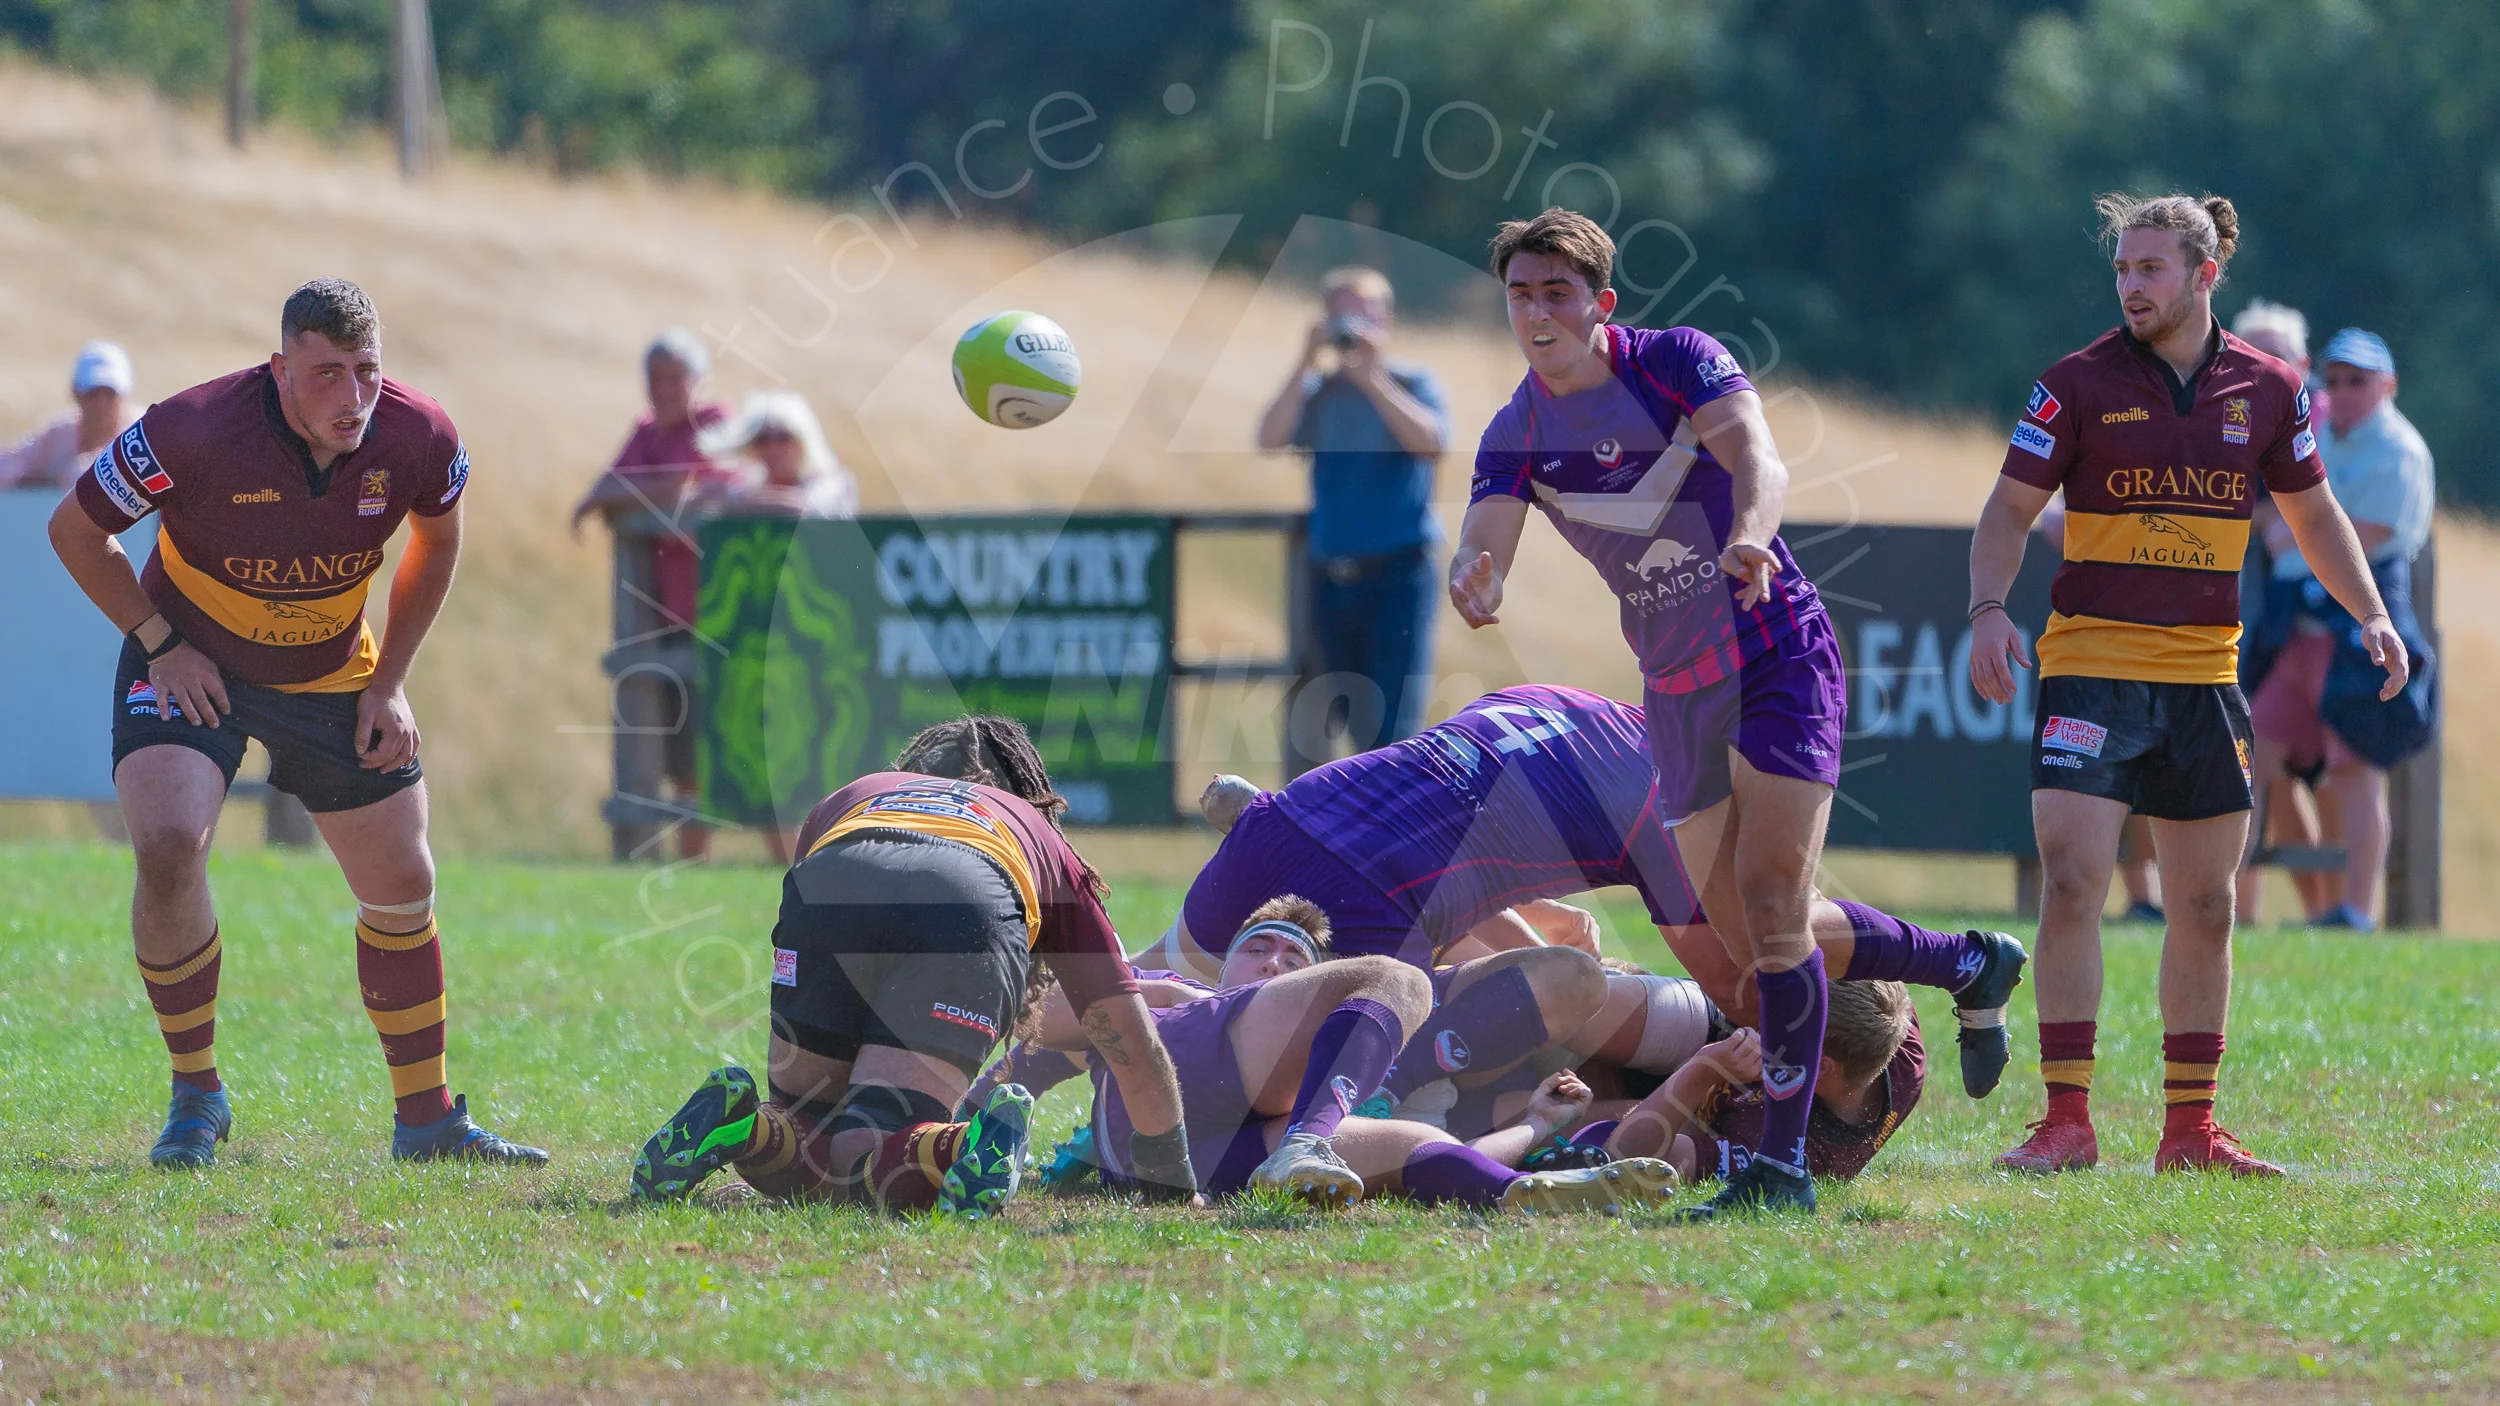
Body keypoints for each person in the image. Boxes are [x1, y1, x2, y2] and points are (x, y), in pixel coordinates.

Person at [45, 278, 544, 1169]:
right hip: (189, 657)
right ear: (279, 370)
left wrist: (390, 680)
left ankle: (426, 1122)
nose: (351, 399)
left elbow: (439, 539)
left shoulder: (420, 434)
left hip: (332, 668)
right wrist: (160, 642)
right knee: (167, 842)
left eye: (366, 372)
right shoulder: (190, 429)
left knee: (403, 879)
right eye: (325, 375)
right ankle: (197, 1095)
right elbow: (74, 531)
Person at [1968, 194, 2407, 1179]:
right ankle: (2066, 1119)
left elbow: (2315, 513)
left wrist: (2371, 610)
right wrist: (1987, 609)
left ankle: (2190, 1132)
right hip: (2089, 669)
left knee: (2205, 904)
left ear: (2204, 276)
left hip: (2205, 677)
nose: (2131, 286)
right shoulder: (2072, 384)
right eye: (2122, 269)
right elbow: (2005, 510)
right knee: (2076, 878)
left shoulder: (2269, 387)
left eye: (2151, 269)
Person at [1451, 208, 1851, 1220]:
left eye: (1557, 292)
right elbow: (1485, 527)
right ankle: (1952, 956)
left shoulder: (1677, 362)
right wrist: (1475, 571)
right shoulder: (1516, 430)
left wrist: (1752, 537)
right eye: (1520, 294)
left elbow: (1759, 459)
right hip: (1674, 689)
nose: (1537, 312)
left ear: (1600, 303)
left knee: (1770, 902)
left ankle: (1781, 1168)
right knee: (1740, 946)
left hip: (1773, 649)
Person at [1133, 686, 2022, 1127]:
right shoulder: (1667, 817)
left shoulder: (1623, 738)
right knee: (1760, 964)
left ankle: (1964, 961)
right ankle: (1959, 960)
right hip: (1385, 871)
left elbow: (1459, 863)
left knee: (1177, 981)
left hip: (1406, 785)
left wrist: (1527, 938)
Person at [629, 717, 1202, 1217]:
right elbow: (1131, 1039)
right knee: (861, 1158)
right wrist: (1168, 1177)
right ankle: (965, 1146)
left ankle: (741, 1122)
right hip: (967, 899)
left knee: (803, 1132)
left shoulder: (862, 790)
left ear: (915, 766)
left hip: (833, 881)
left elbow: (808, 892)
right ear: (1028, 791)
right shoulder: (1038, 835)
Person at [982, 900, 1682, 1213]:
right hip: (1164, 1101)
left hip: (1213, 1160)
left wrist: (1538, 1122)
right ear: (1225, 967)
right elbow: (1044, 1034)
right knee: (1401, 980)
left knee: (1414, 1141)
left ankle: (1516, 1197)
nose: (1274, 962)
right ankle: (1306, 1145)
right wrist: (1148, 992)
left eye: (1295, 957)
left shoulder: (1338, 1062)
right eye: (1258, 948)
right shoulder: (1183, 999)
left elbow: (1428, 1145)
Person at [2245, 328, 2436, 932]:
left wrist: (2296, 530)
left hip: (2359, 633)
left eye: (2360, 380)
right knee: (2253, 754)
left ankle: (2356, 912)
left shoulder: (2400, 451)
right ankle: (2228, 903)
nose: (2345, 391)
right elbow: (2305, 527)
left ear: (2388, 385)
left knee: (2355, 771)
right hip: (2297, 632)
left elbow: (2358, 539)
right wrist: (2302, 530)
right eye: (2336, 379)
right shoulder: (2319, 435)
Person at [1254, 266, 1450, 773]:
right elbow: (1269, 438)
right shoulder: (1318, 391)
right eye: (1342, 312)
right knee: (1339, 713)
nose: (1353, 325)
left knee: (1394, 729)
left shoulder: (1411, 382)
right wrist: (1305, 360)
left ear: (1387, 320)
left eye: (1365, 313)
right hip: (1331, 575)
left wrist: (1373, 378)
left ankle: (1398, 840)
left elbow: (1432, 443)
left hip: (1399, 572)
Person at [570, 330, 740, 861]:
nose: (664, 390)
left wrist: (632, 493)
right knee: (682, 748)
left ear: (696, 382)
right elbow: (601, 492)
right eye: (655, 379)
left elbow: (688, 485)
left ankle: (702, 859)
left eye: (674, 379)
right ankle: (688, 865)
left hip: (724, 612)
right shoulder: (647, 431)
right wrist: (635, 492)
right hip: (670, 616)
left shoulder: (716, 423)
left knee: (719, 743)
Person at [2230, 301, 2337, 924]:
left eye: (2280, 354)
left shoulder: (2324, 428)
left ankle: (2333, 914)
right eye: (2255, 353)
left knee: (2312, 776)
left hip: (2315, 633)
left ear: (2302, 364)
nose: (2267, 366)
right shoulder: (2234, 417)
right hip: (2262, 624)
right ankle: (2265, 916)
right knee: (2259, 770)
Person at [697, 389, 859, 522]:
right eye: (762, 440)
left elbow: (805, 510)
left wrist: (735, 504)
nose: (773, 449)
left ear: (802, 442)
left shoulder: (834, 483)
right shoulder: (745, 488)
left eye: (784, 438)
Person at [0, 341, 138, 493]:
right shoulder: (56, 435)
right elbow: (8, 464)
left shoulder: (142, 435)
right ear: (76, 394)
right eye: (92, 394)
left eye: (110, 394)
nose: (101, 404)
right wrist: (36, 481)